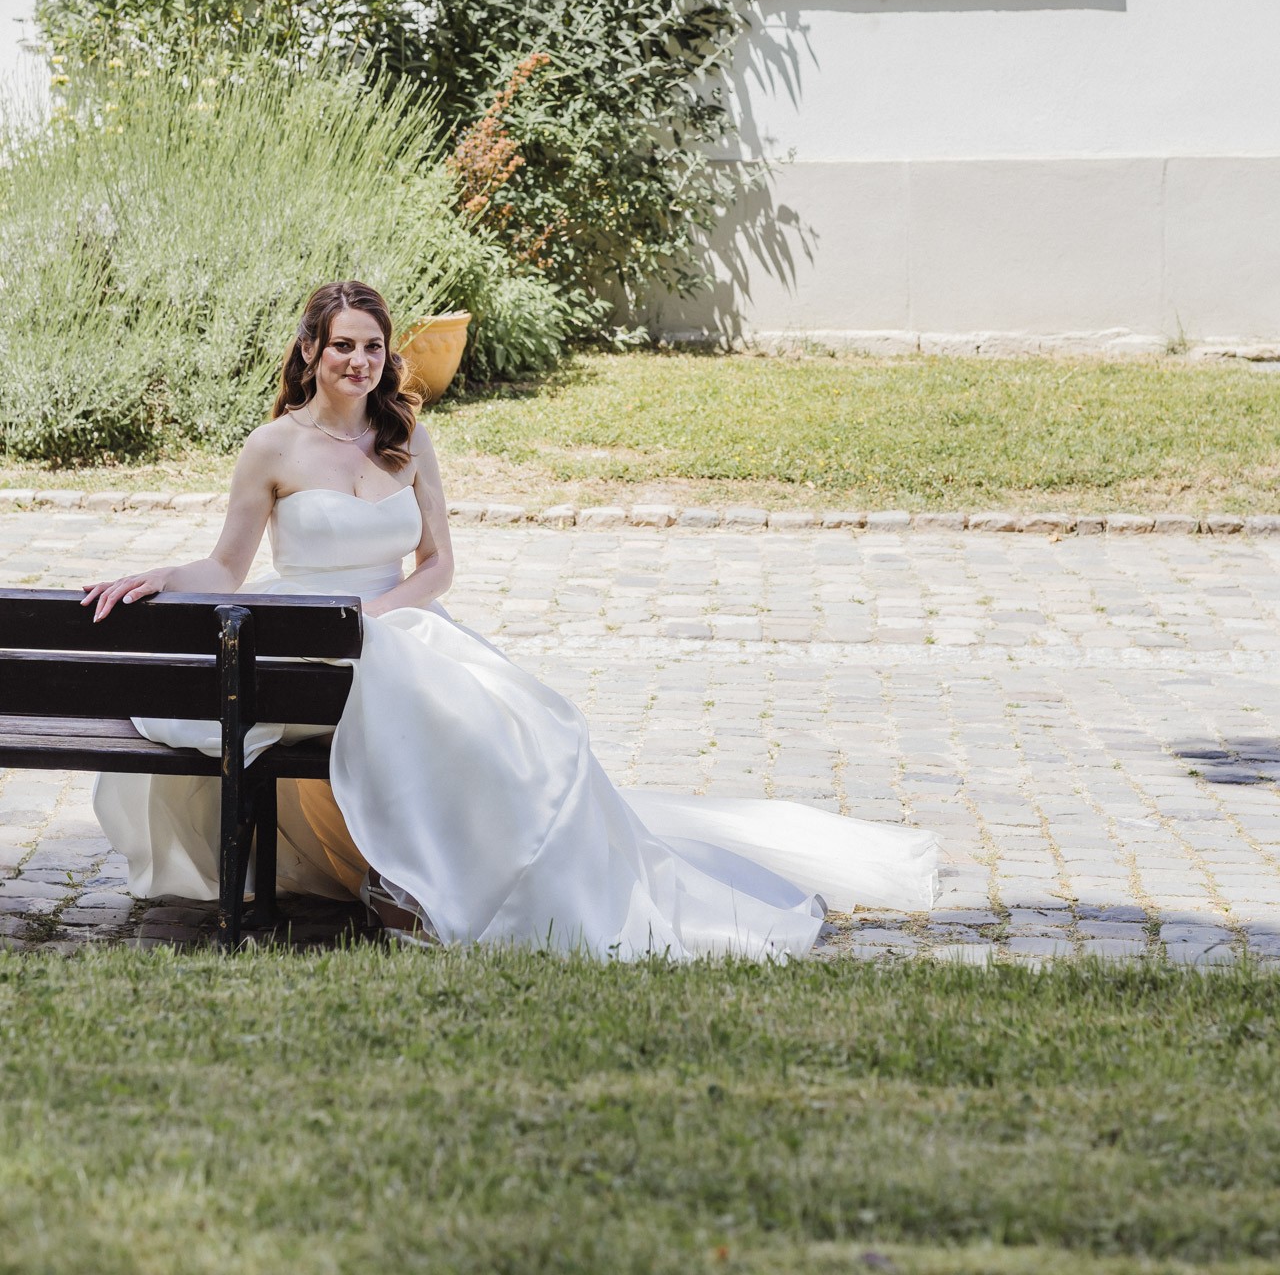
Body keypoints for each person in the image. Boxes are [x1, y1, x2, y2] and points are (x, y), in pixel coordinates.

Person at [87, 281, 938, 959]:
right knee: (408, 709)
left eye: (373, 348)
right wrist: (165, 575)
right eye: (342, 345)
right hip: (306, 643)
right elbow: (227, 568)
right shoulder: (272, 447)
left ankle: (442, 878)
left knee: (506, 725)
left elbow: (441, 565)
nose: (358, 361)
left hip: (397, 622)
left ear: (388, 358)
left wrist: (373, 619)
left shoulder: (407, 438)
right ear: (310, 350)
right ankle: (401, 878)